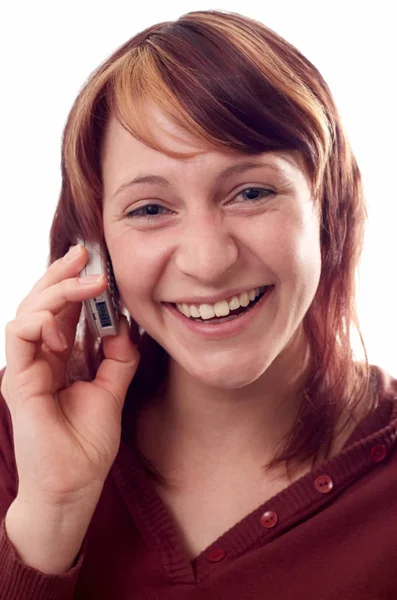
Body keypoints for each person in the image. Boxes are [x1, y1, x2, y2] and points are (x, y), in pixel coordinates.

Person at [0, 8, 396, 599]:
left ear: (327, 211)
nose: (207, 262)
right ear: (94, 252)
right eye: (150, 209)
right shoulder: (22, 431)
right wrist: (51, 515)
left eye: (252, 192)